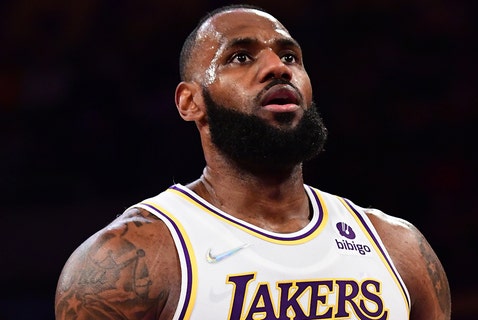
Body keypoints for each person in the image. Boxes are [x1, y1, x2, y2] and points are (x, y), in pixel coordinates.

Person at [54, 4, 451, 319]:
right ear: (190, 102)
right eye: (241, 57)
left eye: (290, 56)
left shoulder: (398, 248)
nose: (278, 68)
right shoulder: (127, 262)